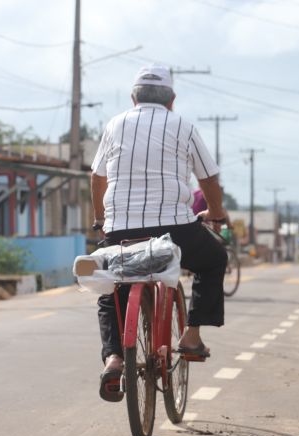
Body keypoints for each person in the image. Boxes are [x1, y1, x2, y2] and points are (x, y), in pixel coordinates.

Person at [90, 64, 228, 402]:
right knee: (214, 258)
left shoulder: (115, 124)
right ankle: (192, 336)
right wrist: (217, 213)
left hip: (121, 230)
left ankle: (113, 357)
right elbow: (208, 178)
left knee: (111, 289)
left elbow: (96, 177)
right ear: (172, 100)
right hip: (175, 230)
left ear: (133, 98)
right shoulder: (183, 125)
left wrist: (101, 220)